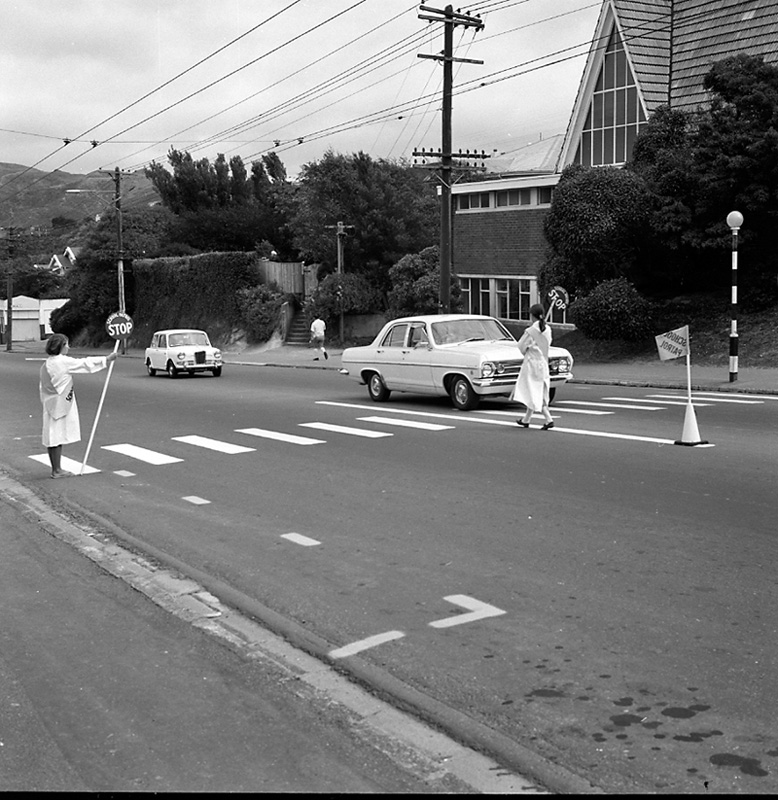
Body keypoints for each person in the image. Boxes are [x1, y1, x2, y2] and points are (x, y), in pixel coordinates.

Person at [39, 333, 118, 478]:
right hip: (60, 403)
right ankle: (57, 470)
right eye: (67, 344)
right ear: (61, 346)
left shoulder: (47, 363)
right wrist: (106, 359)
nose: (68, 347)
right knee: (56, 435)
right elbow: (84, 364)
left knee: (52, 435)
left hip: (50, 402)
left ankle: (55, 468)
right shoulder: (62, 361)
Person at [513, 303, 555, 430]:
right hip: (543, 362)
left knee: (532, 390)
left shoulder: (530, 331)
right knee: (537, 390)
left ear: (532, 315)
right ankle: (526, 419)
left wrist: (527, 351)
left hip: (531, 363)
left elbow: (521, 346)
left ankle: (548, 418)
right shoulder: (548, 329)